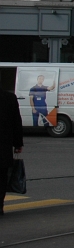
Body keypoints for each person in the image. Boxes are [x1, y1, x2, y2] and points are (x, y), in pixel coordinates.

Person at [1, 88, 25, 216]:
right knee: (2, 177)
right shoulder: (9, 98)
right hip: (3, 146)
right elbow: (16, 121)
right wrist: (18, 143)